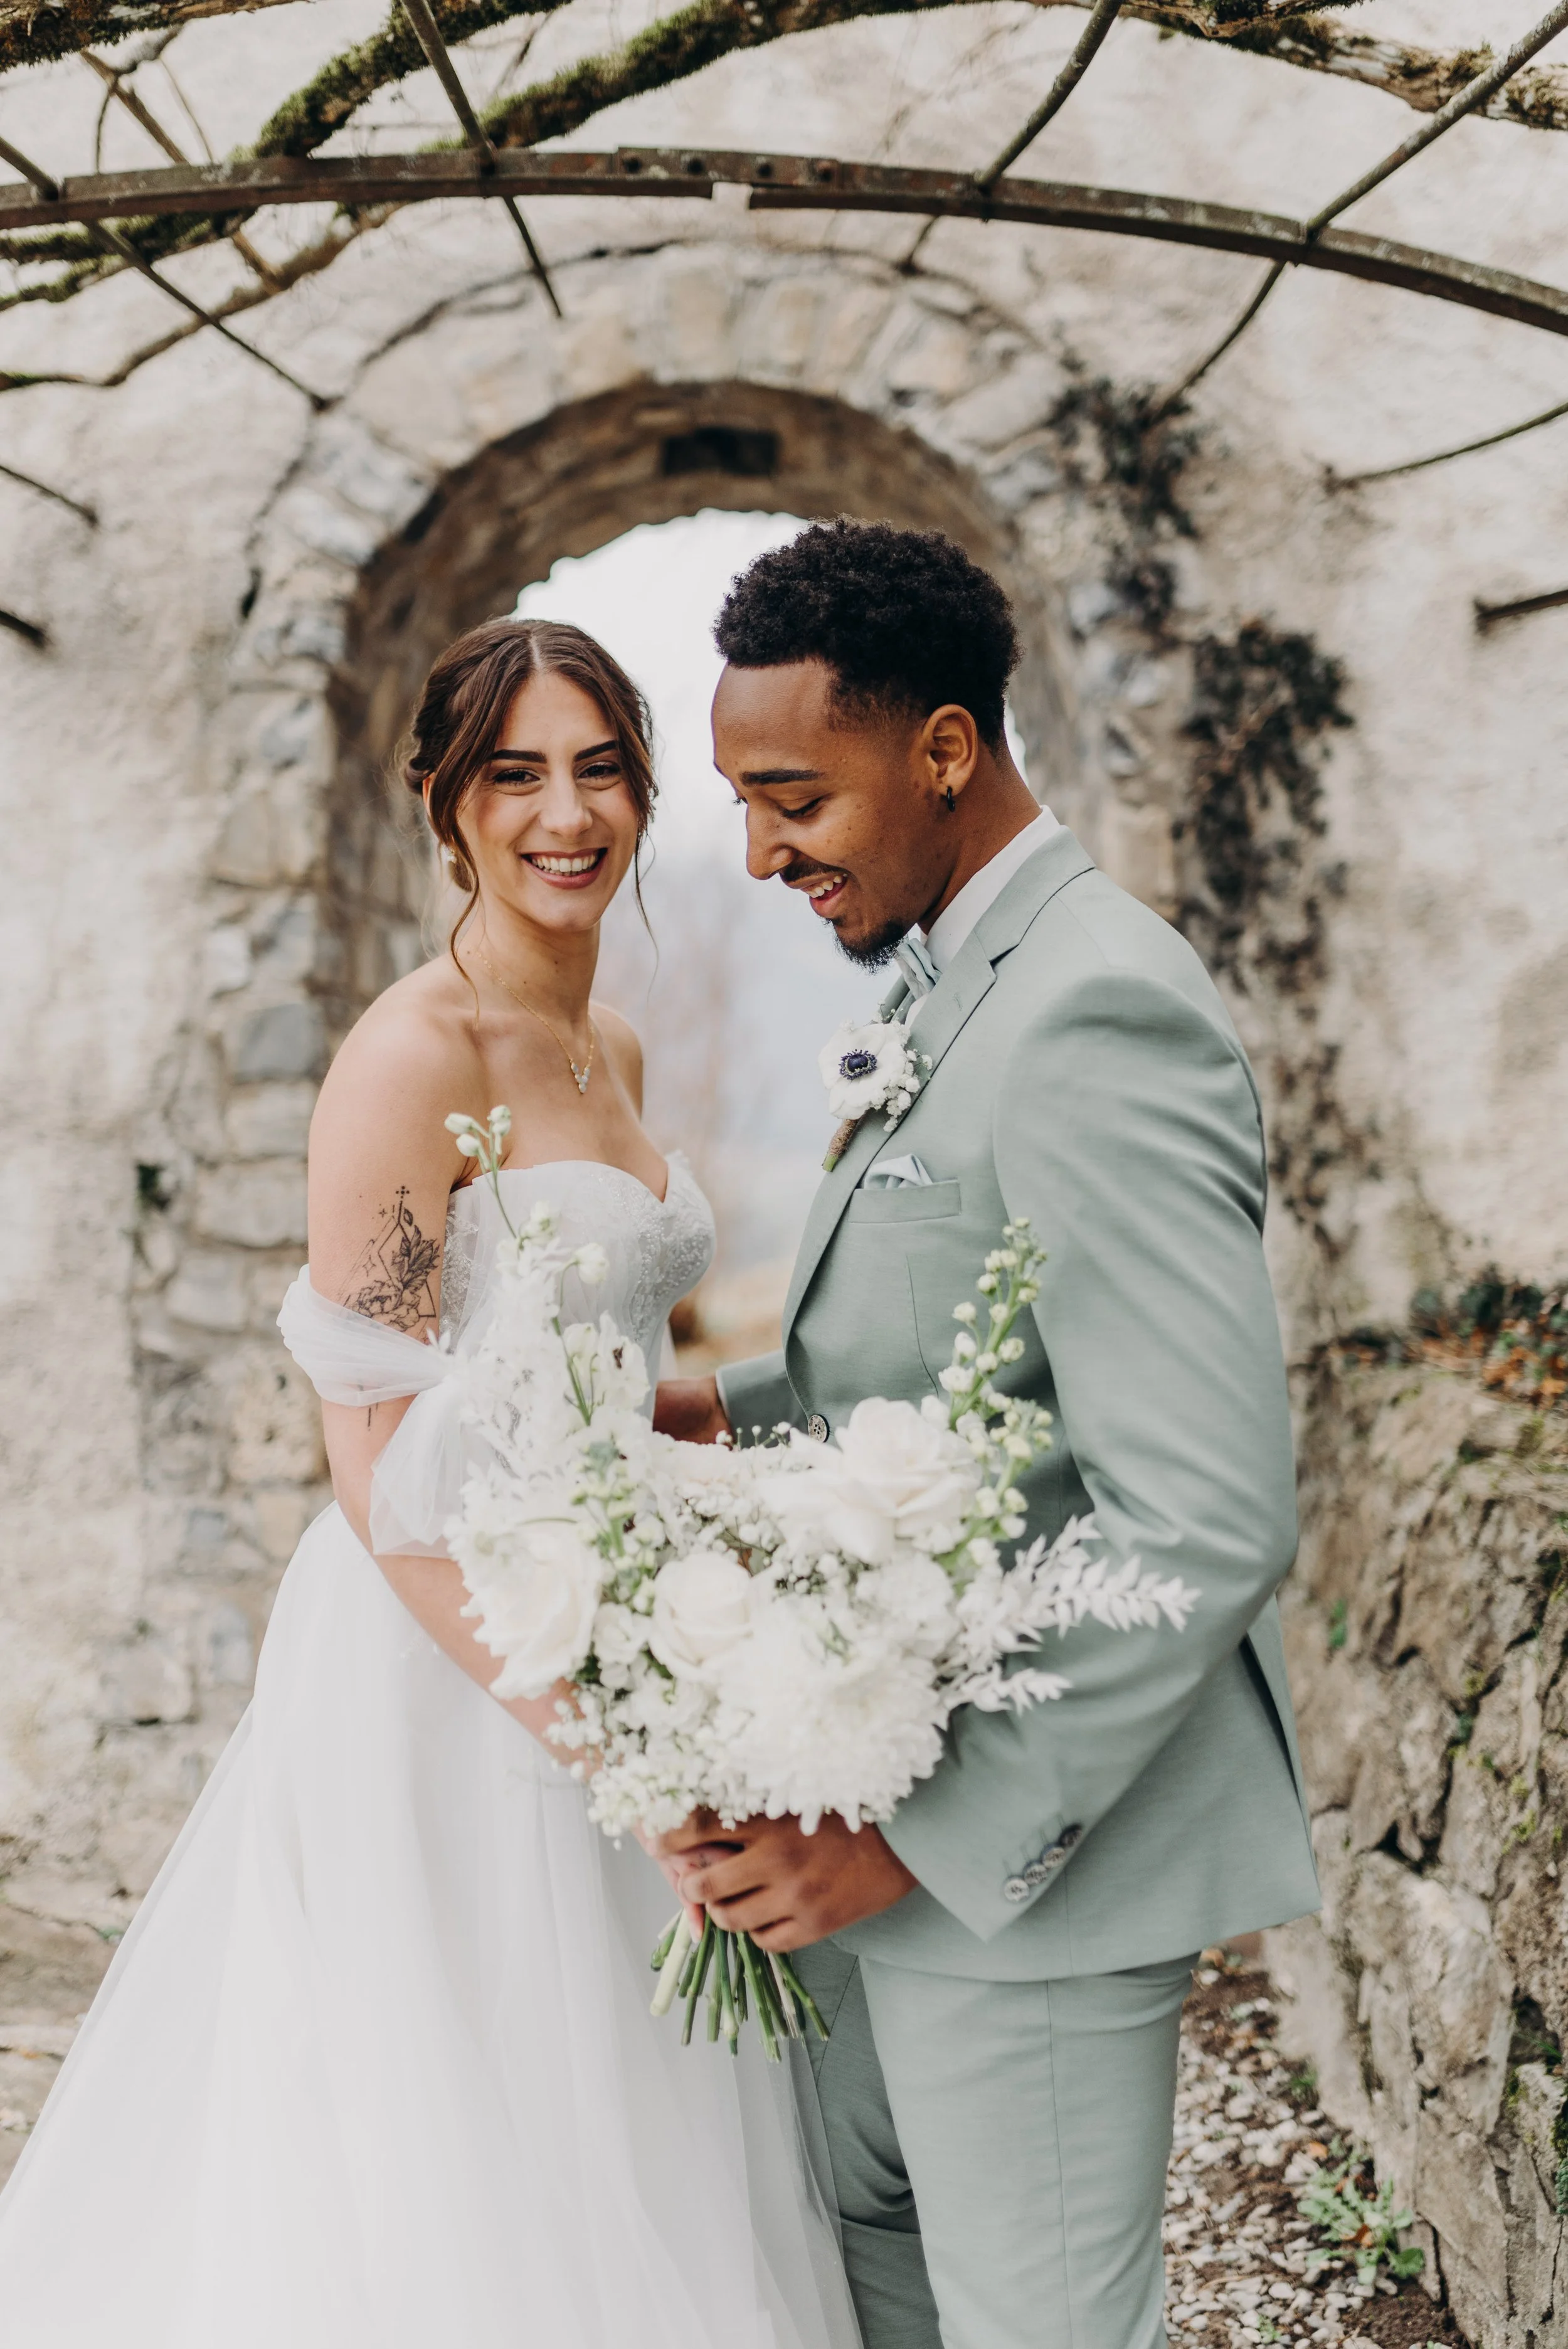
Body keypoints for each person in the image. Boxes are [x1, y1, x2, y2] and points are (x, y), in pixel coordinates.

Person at [0, 617, 857, 2349]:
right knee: (463, 2120)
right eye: (514, 774)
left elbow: (589, 1362)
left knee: (634, 2103)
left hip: (620, 1608)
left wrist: (722, 1485)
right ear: (442, 803)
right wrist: (604, 1741)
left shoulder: (610, 1046)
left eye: (601, 770)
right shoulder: (412, 1057)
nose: (566, 814)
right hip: (451, 1649)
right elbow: (380, 1452)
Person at [653, 521, 1322, 2349]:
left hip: (1020, 1870)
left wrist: (914, 1849)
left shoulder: (1094, 1004)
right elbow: (975, 1354)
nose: (761, 854)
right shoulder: (963, 971)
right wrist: (719, 1410)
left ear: (944, 749)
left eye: (794, 798)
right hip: (878, 1773)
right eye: (744, 803)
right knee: (862, 2269)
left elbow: (1199, 1514)